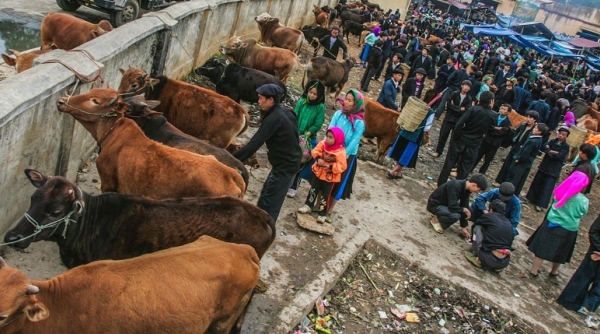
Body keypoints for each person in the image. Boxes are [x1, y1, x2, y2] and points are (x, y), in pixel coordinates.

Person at [233, 84, 302, 222]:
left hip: (285, 167)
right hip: (285, 163)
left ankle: (264, 233)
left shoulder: (273, 119)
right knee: (265, 195)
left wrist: (230, 159)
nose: (258, 101)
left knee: (270, 204)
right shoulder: (288, 112)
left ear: (271, 100)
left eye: (261, 98)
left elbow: (253, 145)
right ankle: (257, 225)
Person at [526, 171, 590, 278]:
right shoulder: (584, 201)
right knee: (561, 252)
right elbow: (582, 213)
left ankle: (534, 270)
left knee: (541, 248)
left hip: (552, 222)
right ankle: (554, 271)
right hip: (569, 228)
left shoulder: (560, 191)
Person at [437, 91, 496, 186]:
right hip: (475, 143)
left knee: (450, 162)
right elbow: (491, 130)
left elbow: (459, 124)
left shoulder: (473, 109)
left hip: (462, 138)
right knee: (465, 168)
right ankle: (457, 188)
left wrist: (455, 137)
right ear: (491, 101)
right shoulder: (493, 115)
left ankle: (440, 185)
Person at [327, 89, 366, 222]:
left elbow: (353, 143)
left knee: (338, 183)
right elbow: (330, 130)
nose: (346, 102)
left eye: (350, 100)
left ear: (356, 103)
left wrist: (339, 155)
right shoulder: (338, 114)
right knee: (324, 178)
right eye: (346, 99)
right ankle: (318, 205)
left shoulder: (360, 124)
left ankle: (329, 210)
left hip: (346, 157)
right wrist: (330, 148)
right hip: (330, 151)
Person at [297, 127, 347, 223]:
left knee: (325, 195)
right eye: (327, 136)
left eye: (331, 137)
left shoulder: (341, 152)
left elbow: (342, 166)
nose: (327, 139)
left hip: (329, 177)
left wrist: (330, 167)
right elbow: (315, 151)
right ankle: (308, 205)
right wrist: (318, 158)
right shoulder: (323, 144)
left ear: (337, 139)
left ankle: (322, 213)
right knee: (313, 190)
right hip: (318, 173)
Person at [287, 80, 326, 198]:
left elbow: (318, 123)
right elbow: (294, 116)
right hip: (295, 135)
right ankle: (285, 183)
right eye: (310, 92)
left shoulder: (320, 107)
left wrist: (307, 134)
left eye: (315, 94)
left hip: (308, 139)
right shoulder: (301, 102)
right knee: (289, 160)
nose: (312, 95)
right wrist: (294, 131)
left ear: (319, 96)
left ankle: (293, 186)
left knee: (300, 163)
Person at [557, 214, 600, 317]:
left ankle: (588, 308)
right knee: (582, 278)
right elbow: (594, 231)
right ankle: (569, 301)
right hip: (595, 252)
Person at [427, 173, 488, 238]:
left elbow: (465, 205)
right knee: (456, 215)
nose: (477, 192)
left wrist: (463, 227)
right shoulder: (455, 185)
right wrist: (463, 210)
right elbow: (453, 206)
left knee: (469, 210)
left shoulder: (466, 190)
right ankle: (437, 220)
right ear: (474, 185)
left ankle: (439, 215)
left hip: (446, 204)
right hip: (435, 205)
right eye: (478, 190)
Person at [525, 126, 571, 211]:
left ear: (566, 136)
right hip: (544, 166)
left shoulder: (566, 147)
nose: (561, 135)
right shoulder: (552, 141)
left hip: (553, 170)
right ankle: (531, 198)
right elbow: (544, 147)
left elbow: (560, 156)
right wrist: (553, 152)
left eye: (563, 134)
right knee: (537, 182)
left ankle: (540, 204)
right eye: (560, 133)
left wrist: (550, 151)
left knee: (547, 187)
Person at [386, 104, 435, 179]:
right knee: (407, 155)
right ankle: (392, 172)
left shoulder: (415, 105)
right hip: (415, 136)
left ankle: (399, 173)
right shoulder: (430, 112)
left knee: (400, 151)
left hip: (405, 131)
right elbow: (426, 127)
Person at [464, 199, 514, 272]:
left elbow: (476, 224)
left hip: (488, 258)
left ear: (491, 209)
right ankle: (497, 268)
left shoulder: (489, 216)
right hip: (504, 262)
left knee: (477, 227)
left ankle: (478, 257)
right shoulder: (508, 223)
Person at [495, 110, 538, 186]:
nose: (528, 119)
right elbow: (516, 134)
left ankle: (506, 184)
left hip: (522, 150)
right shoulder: (523, 125)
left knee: (513, 168)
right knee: (507, 164)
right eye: (527, 117)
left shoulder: (535, 130)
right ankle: (500, 181)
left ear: (534, 119)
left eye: (530, 118)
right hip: (515, 146)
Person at [431, 80, 472, 157]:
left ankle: (450, 155)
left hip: (458, 121)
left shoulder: (468, 99)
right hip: (449, 118)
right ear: (462, 85)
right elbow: (449, 105)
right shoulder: (455, 94)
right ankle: (438, 151)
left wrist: (455, 108)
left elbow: (467, 110)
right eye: (465, 85)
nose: (466, 87)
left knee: (454, 138)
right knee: (443, 135)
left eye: (468, 86)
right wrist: (459, 109)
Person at [506, 123, 548, 197]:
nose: (534, 129)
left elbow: (525, 153)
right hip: (526, 163)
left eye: (536, 128)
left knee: (514, 177)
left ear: (540, 132)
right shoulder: (538, 140)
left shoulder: (533, 141)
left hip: (522, 163)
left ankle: (507, 193)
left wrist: (518, 159)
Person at [473, 104, 512, 174]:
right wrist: (496, 128)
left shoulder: (508, 123)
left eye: (504, 109)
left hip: (495, 144)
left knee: (488, 160)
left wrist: (493, 128)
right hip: (486, 140)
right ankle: (470, 169)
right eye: (501, 108)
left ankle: (481, 173)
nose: (501, 110)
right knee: (477, 156)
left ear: (508, 112)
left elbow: (502, 132)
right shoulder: (494, 116)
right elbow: (487, 126)